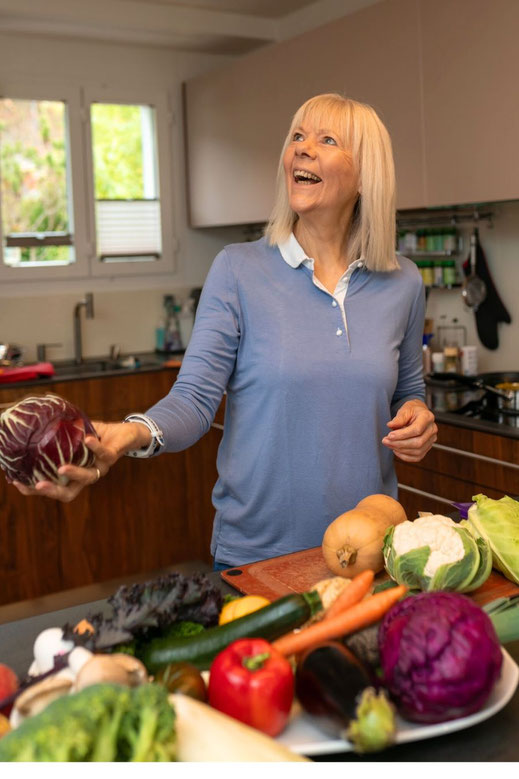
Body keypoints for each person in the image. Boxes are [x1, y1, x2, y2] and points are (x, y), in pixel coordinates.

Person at [13, 93, 437, 569]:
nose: (301, 148)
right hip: (260, 556)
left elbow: (407, 390)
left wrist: (417, 415)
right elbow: (194, 399)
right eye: (297, 136)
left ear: (366, 174)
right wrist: (128, 434)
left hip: (368, 555)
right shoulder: (238, 270)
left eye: (327, 139)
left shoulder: (401, 281)